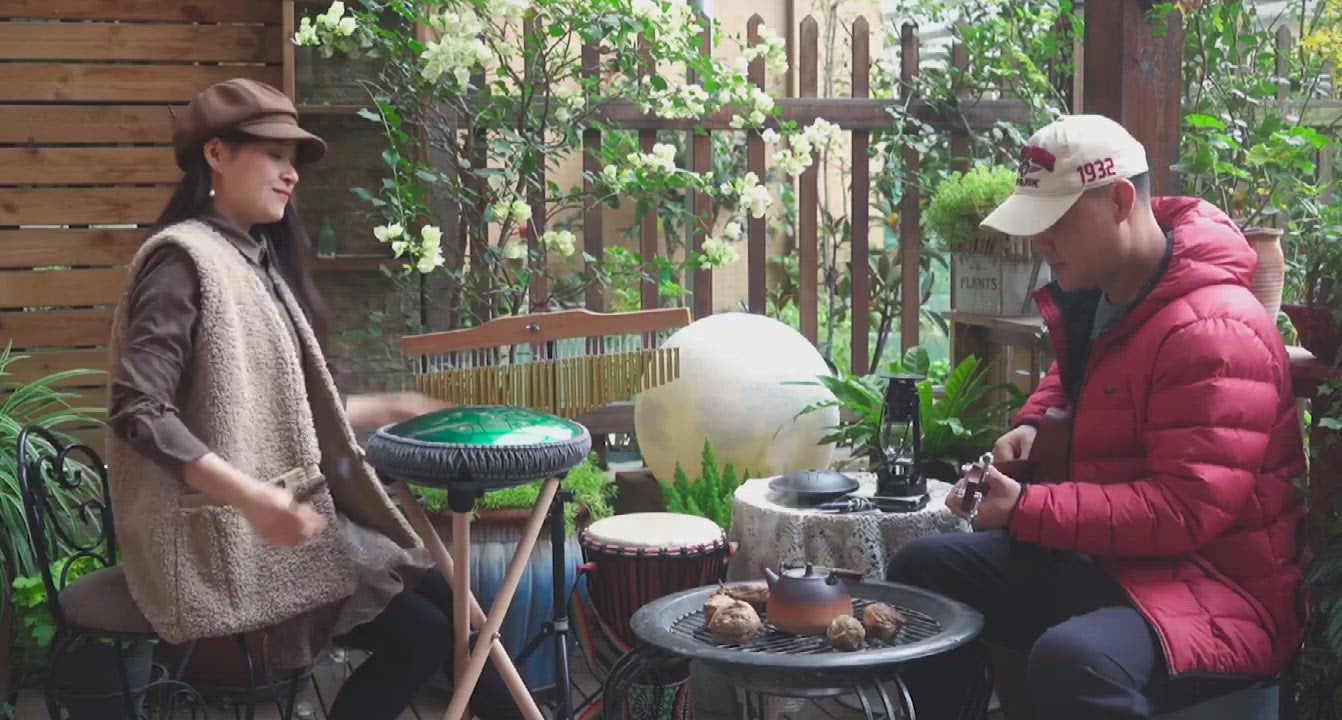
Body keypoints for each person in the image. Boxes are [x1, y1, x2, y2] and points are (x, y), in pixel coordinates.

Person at [107, 78, 519, 720]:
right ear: (215, 154)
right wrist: (255, 499)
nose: (291, 173)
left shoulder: (249, 260)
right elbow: (139, 412)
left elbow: (256, 408)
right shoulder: (182, 261)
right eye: (273, 154)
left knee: (455, 599)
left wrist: (378, 409)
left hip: (276, 516)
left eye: (293, 159)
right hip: (218, 536)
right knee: (422, 634)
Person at [886, 114, 1306, 719]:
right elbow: (1079, 378)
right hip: (1119, 565)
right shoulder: (1116, 294)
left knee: (1075, 660)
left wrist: (1026, 509)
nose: (1039, 243)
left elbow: (1185, 509)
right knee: (923, 573)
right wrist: (1033, 424)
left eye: (1055, 222)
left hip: (1218, 588)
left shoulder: (1216, 329)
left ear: (1121, 202)